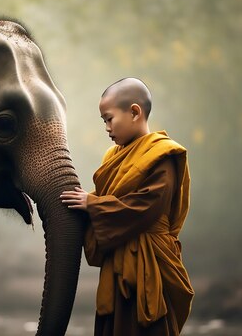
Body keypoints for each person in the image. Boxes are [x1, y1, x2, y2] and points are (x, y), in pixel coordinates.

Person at [60, 78, 194, 336]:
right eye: (103, 121)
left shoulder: (162, 155)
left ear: (134, 112)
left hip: (149, 263)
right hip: (118, 261)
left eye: (109, 119)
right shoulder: (114, 156)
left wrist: (94, 204)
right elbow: (109, 196)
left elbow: (147, 206)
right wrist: (86, 203)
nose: (107, 127)